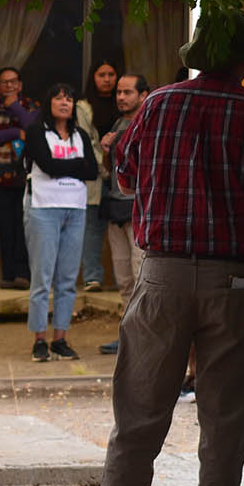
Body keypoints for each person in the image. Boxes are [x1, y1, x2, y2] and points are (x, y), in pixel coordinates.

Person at [100, 4, 244, 486]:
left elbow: (126, 174)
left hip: (161, 278)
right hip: (237, 284)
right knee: (224, 434)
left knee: (136, 425)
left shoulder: (156, 105)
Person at [24, 82, 100, 362]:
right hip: (44, 207)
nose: (65, 102)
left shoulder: (80, 134)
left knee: (68, 279)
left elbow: (92, 171)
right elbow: (49, 166)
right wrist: (76, 165)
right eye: (58, 98)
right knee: (42, 278)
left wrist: (73, 166)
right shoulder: (36, 131)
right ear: (49, 103)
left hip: (75, 209)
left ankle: (60, 338)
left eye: (69, 98)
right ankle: (39, 339)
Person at [99, 72, 149, 355]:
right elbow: (110, 171)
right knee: (124, 279)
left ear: (143, 95)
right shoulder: (119, 124)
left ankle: (143, 338)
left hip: (139, 211)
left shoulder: (147, 124)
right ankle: (129, 335)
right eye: (118, 92)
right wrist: (108, 148)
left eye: (127, 92)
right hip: (116, 209)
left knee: (140, 273)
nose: (120, 97)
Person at [0, 66, 38, 289]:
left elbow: (32, 129)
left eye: (13, 82)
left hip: (25, 178)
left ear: (20, 85)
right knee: (5, 228)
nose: (9, 86)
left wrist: (14, 106)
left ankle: (23, 274)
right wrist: (13, 132)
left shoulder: (32, 106)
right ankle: (8, 275)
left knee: (24, 227)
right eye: (4, 82)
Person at [76, 59, 121, 292]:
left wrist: (117, 168)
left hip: (123, 176)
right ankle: (93, 277)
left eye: (111, 74)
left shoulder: (123, 102)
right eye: (101, 74)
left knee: (123, 228)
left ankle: (124, 280)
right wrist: (105, 168)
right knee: (92, 228)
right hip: (95, 176)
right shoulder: (83, 107)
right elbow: (86, 141)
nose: (107, 79)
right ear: (93, 77)